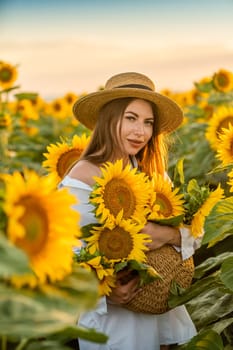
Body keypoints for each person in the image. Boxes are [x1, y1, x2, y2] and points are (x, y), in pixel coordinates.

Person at [59, 72, 198, 350]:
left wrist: (163, 234)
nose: (141, 132)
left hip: (160, 314)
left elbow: (195, 234)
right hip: (114, 322)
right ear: (109, 119)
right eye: (131, 118)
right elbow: (62, 254)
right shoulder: (83, 177)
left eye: (148, 123)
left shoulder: (152, 173)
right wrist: (104, 292)